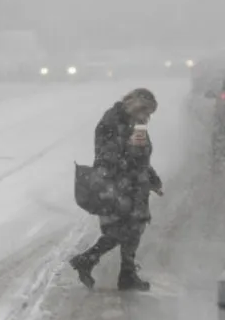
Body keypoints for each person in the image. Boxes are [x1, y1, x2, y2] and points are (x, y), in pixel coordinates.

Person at [69, 87, 163, 291]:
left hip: (134, 184)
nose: (147, 117)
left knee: (134, 227)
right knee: (122, 229)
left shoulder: (135, 124)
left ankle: (124, 273)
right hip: (118, 184)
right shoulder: (113, 121)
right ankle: (90, 260)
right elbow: (109, 156)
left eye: (149, 114)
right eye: (145, 111)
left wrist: (152, 179)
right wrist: (130, 150)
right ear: (134, 104)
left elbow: (142, 158)